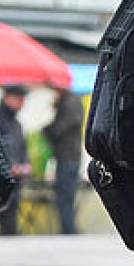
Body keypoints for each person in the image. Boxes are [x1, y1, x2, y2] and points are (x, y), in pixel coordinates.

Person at [0, 84, 31, 235]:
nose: (22, 103)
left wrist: (25, 165)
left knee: (10, 224)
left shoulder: (16, 123)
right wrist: (8, 166)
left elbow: (22, 148)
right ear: (8, 98)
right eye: (19, 99)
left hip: (14, 182)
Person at [43, 86, 83, 235]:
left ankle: (69, 230)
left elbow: (60, 129)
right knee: (67, 196)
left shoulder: (70, 103)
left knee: (64, 196)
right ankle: (68, 229)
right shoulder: (70, 102)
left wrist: (47, 130)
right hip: (70, 156)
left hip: (68, 156)